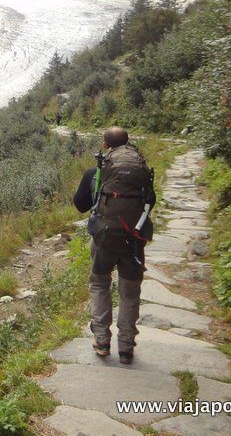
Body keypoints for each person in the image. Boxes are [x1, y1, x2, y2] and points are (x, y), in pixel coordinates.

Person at [72, 126, 155, 364]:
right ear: (128, 143)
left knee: (99, 284)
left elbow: (80, 205)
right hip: (134, 241)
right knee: (129, 293)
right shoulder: (142, 172)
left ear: (106, 146)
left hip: (104, 240)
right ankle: (127, 347)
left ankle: (101, 340)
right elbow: (150, 202)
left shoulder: (96, 172)